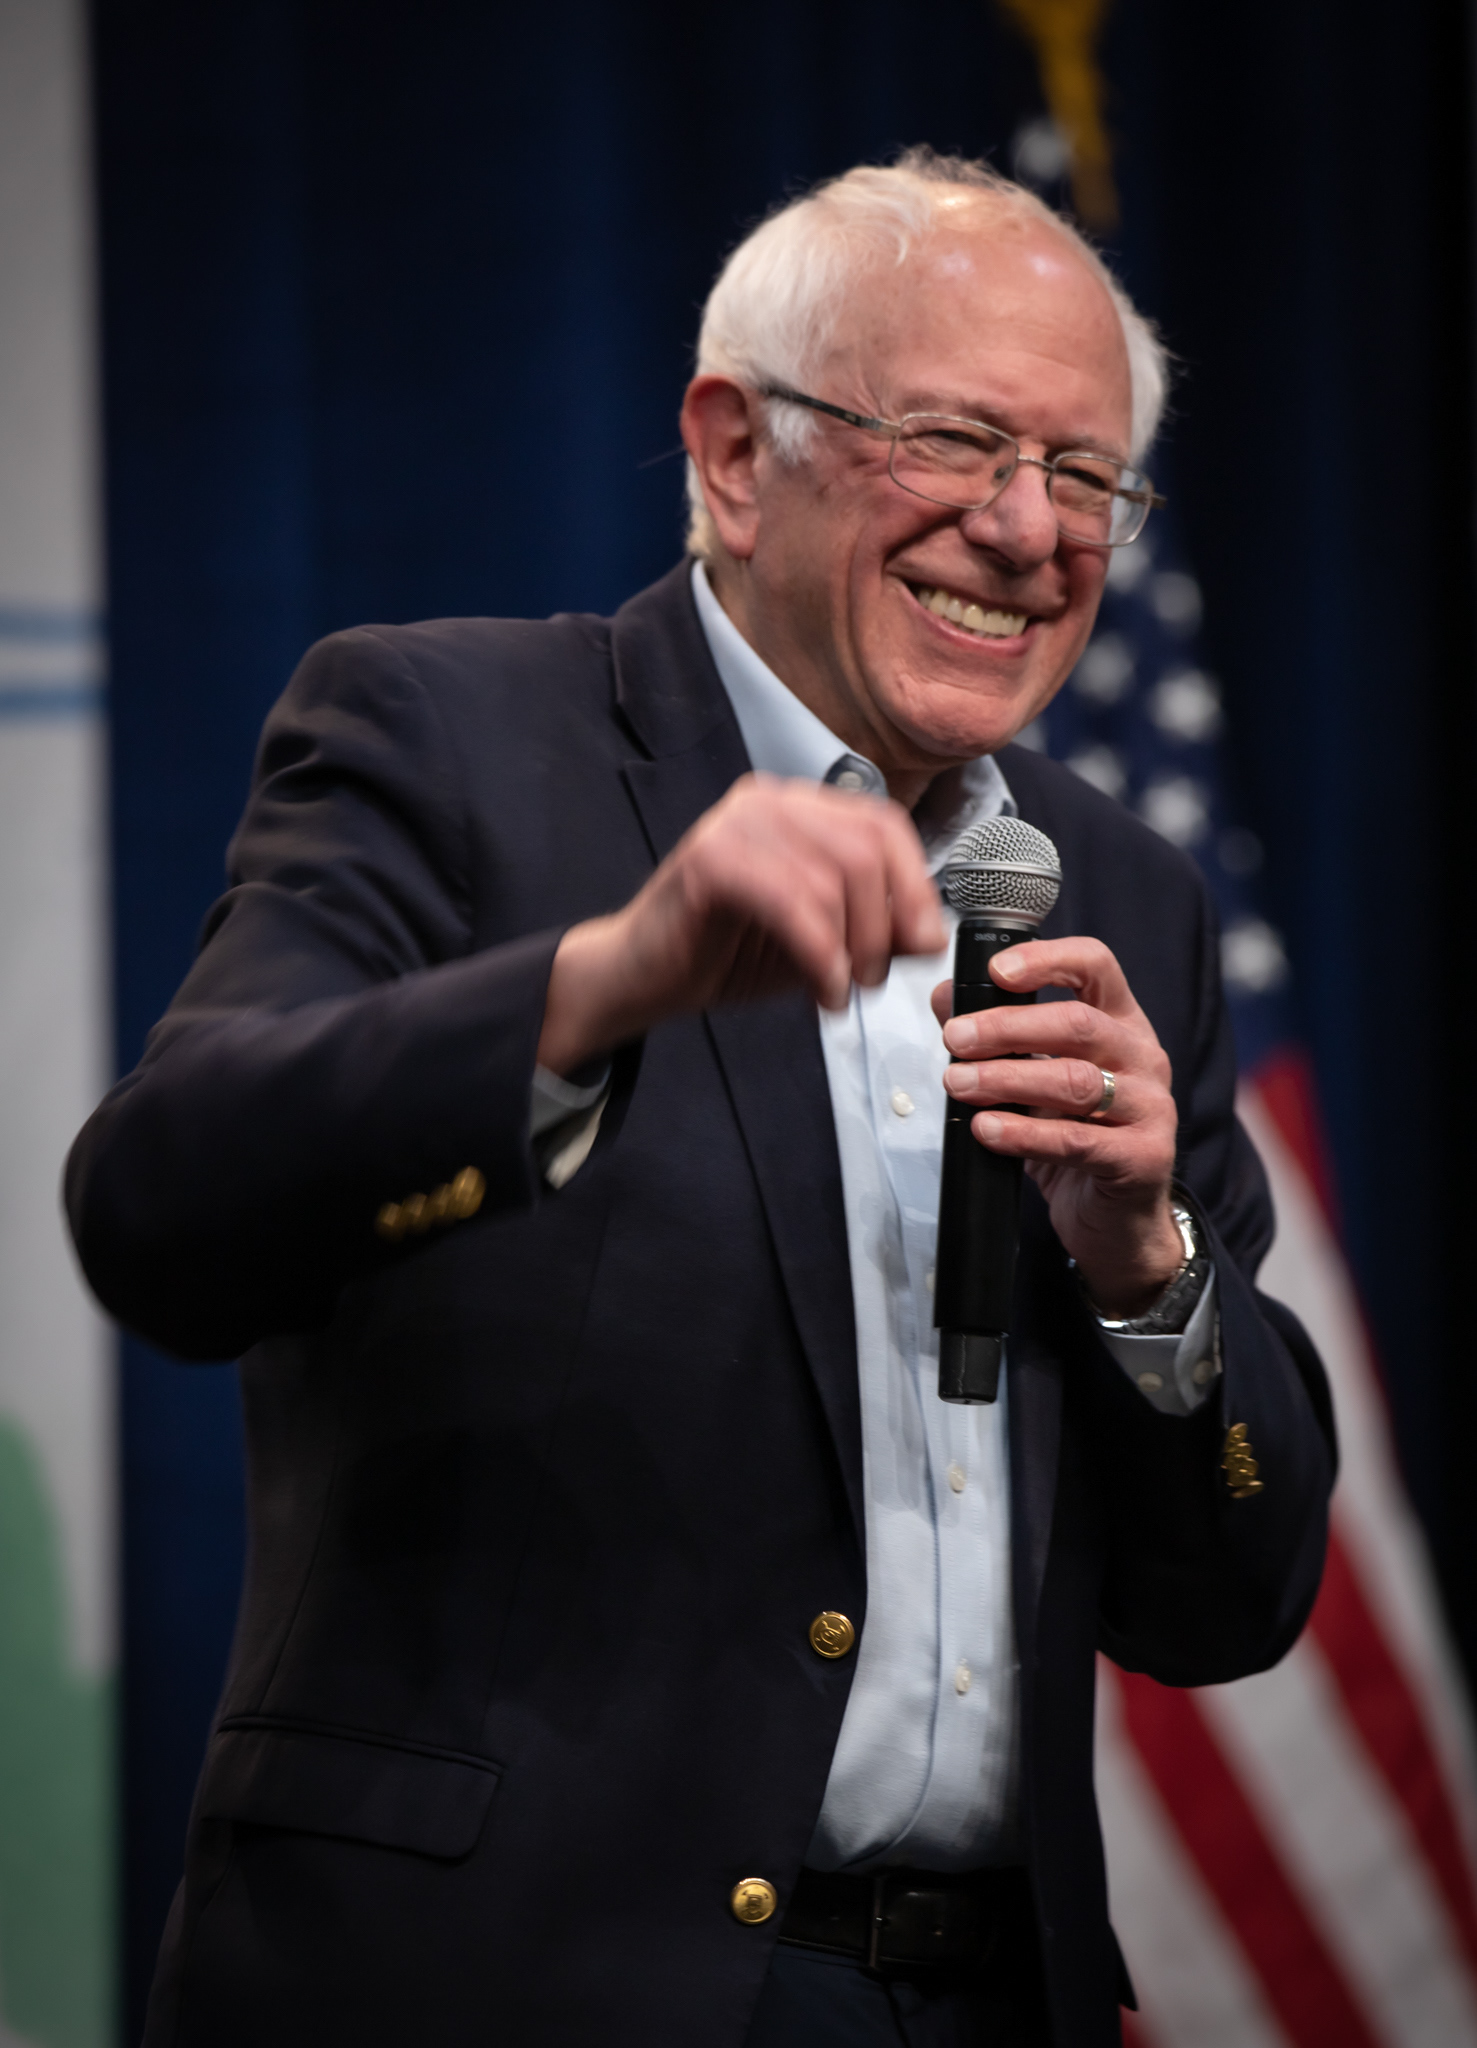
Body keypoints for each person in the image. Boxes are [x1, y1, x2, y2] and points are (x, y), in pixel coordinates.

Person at [67, 149, 1334, 2048]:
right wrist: (610, 983)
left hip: (984, 1998)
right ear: (737, 454)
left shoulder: (1123, 895)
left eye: (1081, 476)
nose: (1022, 529)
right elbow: (161, 1210)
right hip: (505, 1992)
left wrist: (1149, 1270)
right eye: (955, 441)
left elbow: (1232, 1601)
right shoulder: (452, 734)